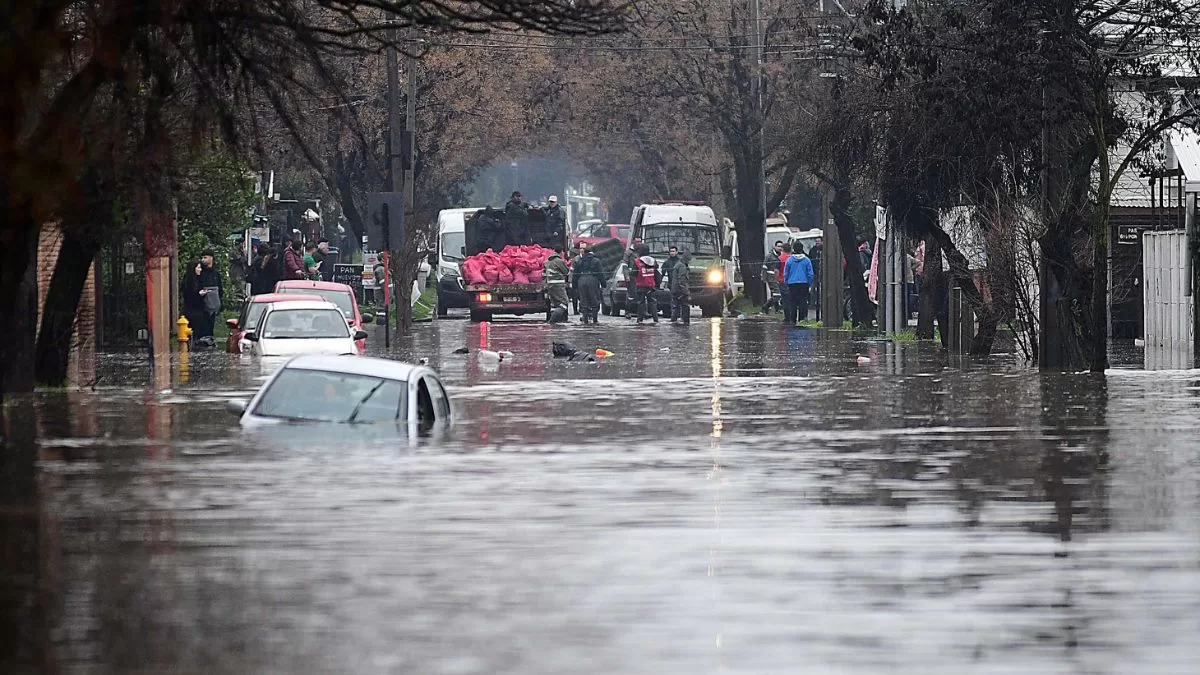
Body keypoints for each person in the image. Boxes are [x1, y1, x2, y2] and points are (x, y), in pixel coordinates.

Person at [573, 244, 606, 324]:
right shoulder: (596, 261)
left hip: (581, 280)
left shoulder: (579, 261)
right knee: (594, 300)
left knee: (584, 300)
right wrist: (603, 283)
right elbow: (601, 273)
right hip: (593, 280)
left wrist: (574, 285)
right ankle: (595, 320)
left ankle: (585, 320)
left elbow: (575, 274)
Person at [783, 242, 815, 325]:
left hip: (792, 283)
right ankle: (802, 319)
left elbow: (786, 273)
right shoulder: (807, 260)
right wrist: (809, 282)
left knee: (792, 302)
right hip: (804, 283)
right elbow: (810, 273)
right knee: (803, 301)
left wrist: (786, 282)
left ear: (793, 249)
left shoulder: (789, 260)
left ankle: (793, 319)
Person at [633, 245, 661, 324]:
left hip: (640, 285)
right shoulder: (653, 261)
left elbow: (633, 274)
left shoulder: (637, 261)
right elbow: (656, 272)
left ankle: (640, 320)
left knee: (640, 303)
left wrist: (635, 282)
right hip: (651, 285)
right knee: (653, 303)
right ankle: (656, 320)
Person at [544, 245, 570, 322]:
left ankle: (554, 321)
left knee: (554, 304)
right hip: (558, 284)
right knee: (564, 303)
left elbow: (544, 273)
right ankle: (552, 321)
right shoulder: (559, 261)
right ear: (561, 252)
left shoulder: (547, 262)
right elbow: (566, 271)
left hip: (549, 284)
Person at [665, 248, 691, 324]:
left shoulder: (678, 264)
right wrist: (686, 292)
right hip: (680, 290)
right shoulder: (682, 266)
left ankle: (674, 321)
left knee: (675, 307)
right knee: (685, 306)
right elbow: (681, 280)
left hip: (675, 289)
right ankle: (685, 322)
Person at [623, 237, 644, 318]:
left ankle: (642, 312)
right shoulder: (629, 252)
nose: (639, 243)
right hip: (632, 276)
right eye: (637, 241)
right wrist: (626, 276)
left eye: (640, 241)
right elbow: (624, 265)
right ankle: (628, 311)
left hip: (641, 276)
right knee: (631, 294)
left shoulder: (642, 252)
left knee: (642, 294)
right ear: (633, 242)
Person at [762, 240, 784, 313]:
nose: (780, 248)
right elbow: (764, 267)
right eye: (778, 246)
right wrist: (764, 278)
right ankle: (766, 306)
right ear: (775, 247)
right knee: (777, 294)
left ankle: (777, 309)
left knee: (776, 294)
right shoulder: (769, 256)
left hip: (779, 277)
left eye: (781, 246)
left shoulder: (782, 256)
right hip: (771, 277)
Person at [777, 242, 793, 322]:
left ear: (783, 249)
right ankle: (793, 315)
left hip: (782, 280)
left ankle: (787, 316)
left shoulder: (780, 258)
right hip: (792, 281)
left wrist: (777, 279)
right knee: (792, 299)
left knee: (785, 299)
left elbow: (777, 270)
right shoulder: (792, 258)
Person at [810, 236, 824, 318]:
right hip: (814, 273)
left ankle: (821, 303)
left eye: (818, 241)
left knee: (822, 289)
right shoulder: (813, 250)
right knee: (812, 289)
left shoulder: (825, 250)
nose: (817, 243)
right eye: (816, 241)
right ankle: (812, 304)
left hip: (822, 273)